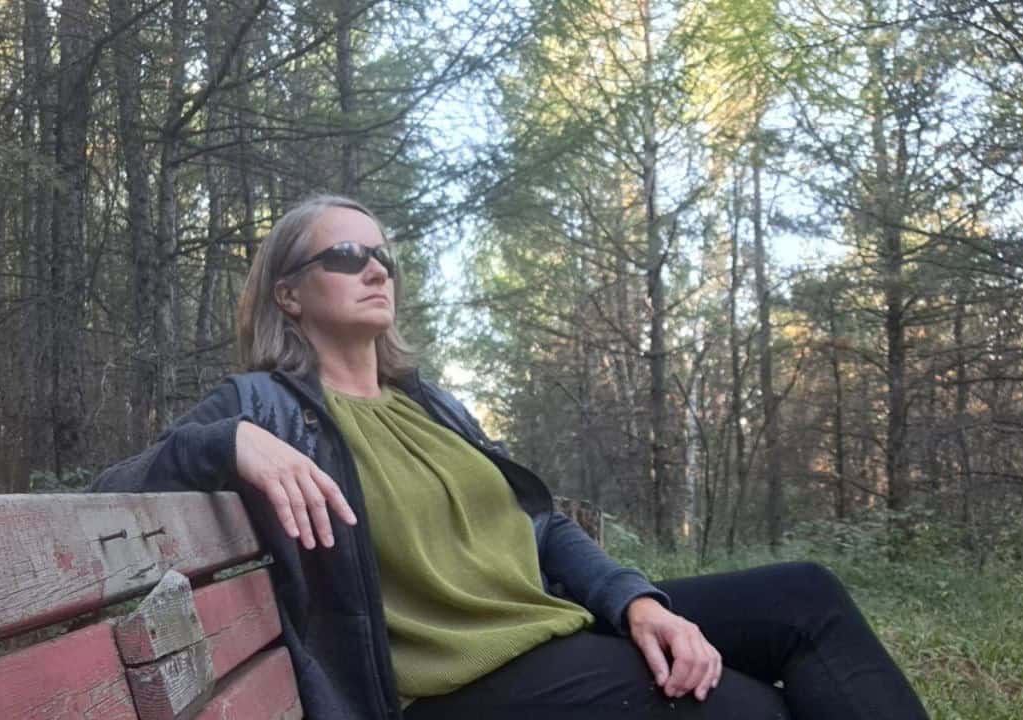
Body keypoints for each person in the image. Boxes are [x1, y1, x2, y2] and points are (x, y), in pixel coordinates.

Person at [91, 195, 929, 720]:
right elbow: (107, 497)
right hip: (456, 685)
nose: (375, 268)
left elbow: (540, 529)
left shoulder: (434, 406)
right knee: (743, 707)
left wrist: (638, 604)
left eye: (385, 254)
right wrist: (228, 442)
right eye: (346, 255)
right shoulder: (264, 407)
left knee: (804, 596)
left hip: (545, 625)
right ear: (289, 293)